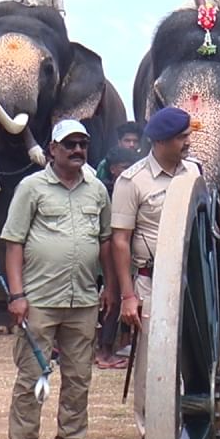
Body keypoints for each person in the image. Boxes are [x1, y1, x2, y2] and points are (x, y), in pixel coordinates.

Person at [0, 120, 112, 439]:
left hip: (82, 299)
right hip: (39, 301)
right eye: (69, 145)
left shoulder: (97, 191)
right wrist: (16, 296)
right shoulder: (31, 189)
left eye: (82, 144)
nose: (77, 150)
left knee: (79, 378)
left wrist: (109, 286)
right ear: (52, 149)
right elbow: (13, 242)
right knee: (32, 378)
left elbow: (106, 241)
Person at [111, 107, 196, 439]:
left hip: (191, 280)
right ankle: (153, 432)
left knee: (190, 353)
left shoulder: (194, 173)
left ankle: (189, 420)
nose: (188, 142)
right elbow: (120, 241)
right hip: (151, 280)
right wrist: (128, 296)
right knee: (152, 357)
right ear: (161, 141)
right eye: (182, 137)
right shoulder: (132, 181)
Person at [93, 144, 140, 370]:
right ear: (113, 169)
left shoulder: (124, 189)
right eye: (124, 167)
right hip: (109, 256)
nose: (129, 171)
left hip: (120, 254)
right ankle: (104, 351)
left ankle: (116, 344)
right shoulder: (107, 193)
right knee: (111, 302)